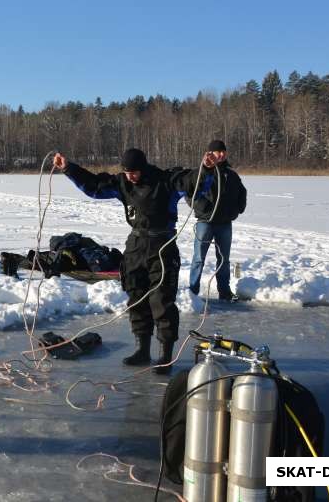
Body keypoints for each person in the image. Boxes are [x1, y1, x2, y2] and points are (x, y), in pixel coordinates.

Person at [54, 148, 198, 373]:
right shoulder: (123, 183)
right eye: (126, 172)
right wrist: (68, 168)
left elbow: (191, 181)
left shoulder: (165, 181)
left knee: (162, 300)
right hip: (136, 244)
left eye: (134, 172)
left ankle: (165, 355)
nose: (130, 176)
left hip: (162, 245)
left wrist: (207, 169)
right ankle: (142, 350)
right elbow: (93, 186)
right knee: (136, 296)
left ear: (144, 167)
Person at [187, 140, 247, 302]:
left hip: (224, 224)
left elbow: (242, 192)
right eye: (217, 151)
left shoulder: (230, 174)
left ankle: (224, 292)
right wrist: (202, 208)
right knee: (199, 258)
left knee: (224, 260)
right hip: (205, 222)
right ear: (210, 153)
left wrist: (237, 209)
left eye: (223, 151)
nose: (221, 154)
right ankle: (192, 292)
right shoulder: (201, 172)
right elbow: (190, 192)